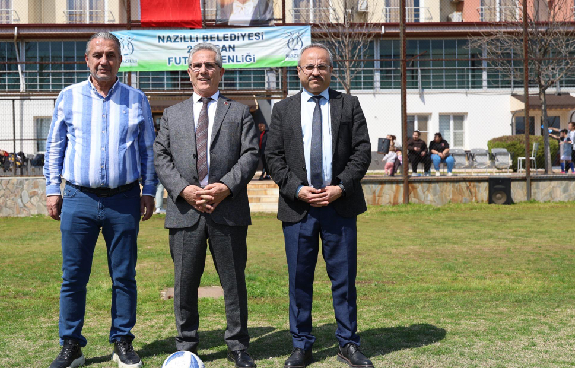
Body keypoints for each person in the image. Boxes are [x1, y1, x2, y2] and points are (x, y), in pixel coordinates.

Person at [44, 32, 157, 368]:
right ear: (87, 60)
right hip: (78, 198)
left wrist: (149, 190)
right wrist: (52, 189)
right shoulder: (68, 97)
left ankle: (122, 341)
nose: (103, 61)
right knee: (73, 276)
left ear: (120, 60)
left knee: (123, 276)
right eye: (97, 55)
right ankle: (71, 345)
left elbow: (148, 150)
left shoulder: (137, 99)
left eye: (110, 55)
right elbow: (55, 147)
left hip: (124, 200)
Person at [264, 43, 373, 368]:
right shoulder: (283, 109)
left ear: (331, 70)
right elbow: (273, 156)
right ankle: (301, 345)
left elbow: (362, 151)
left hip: (340, 206)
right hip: (298, 209)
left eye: (321, 66)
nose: (315, 72)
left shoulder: (348, 105)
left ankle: (348, 343)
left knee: (344, 279)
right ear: (299, 71)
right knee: (299, 280)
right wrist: (297, 189)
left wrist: (341, 187)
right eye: (309, 67)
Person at [154, 42, 259, 368]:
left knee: (233, 282)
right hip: (185, 212)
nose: (203, 71)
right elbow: (161, 156)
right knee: (184, 283)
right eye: (197, 65)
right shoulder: (171, 114)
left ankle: (238, 346)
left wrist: (226, 187)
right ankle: (186, 346)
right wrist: (183, 189)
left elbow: (251, 154)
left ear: (220, 72)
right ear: (189, 72)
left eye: (210, 65)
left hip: (228, 211)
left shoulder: (239, 112)